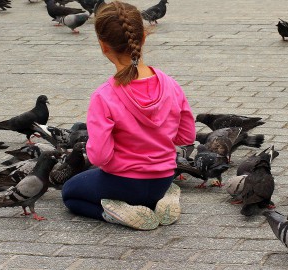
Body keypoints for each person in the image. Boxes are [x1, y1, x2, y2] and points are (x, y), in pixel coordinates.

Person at [62, 1, 196, 230]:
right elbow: (186, 136)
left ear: (103, 46)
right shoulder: (171, 85)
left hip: (123, 184)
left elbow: (100, 157)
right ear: (143, 37)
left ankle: (116, 213)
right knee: (135, 186)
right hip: (163, 179)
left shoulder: (104, 96)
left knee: (70, 192)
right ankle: (161, 200)